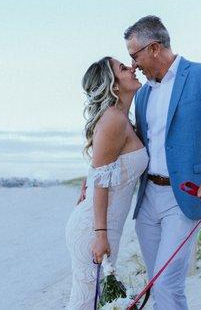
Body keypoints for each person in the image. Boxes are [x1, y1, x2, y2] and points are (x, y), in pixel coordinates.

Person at [125, 15, 201, 309]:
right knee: (158, 286)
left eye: (134, 55)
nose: (132, 66)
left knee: (167, 284)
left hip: (184, 197)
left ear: (153, 48)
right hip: (147, 200)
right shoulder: (141, 94)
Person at [65, 57, 149, 310]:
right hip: (94, 228)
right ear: (112, 85)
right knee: (85, 302)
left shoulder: (123, 120)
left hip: (105, 225)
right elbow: (101, 182)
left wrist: (88, 180)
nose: (132, 67)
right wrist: (100, 235)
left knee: (92, 300)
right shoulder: (113, 119)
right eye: (123, 68)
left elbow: (102, 169)